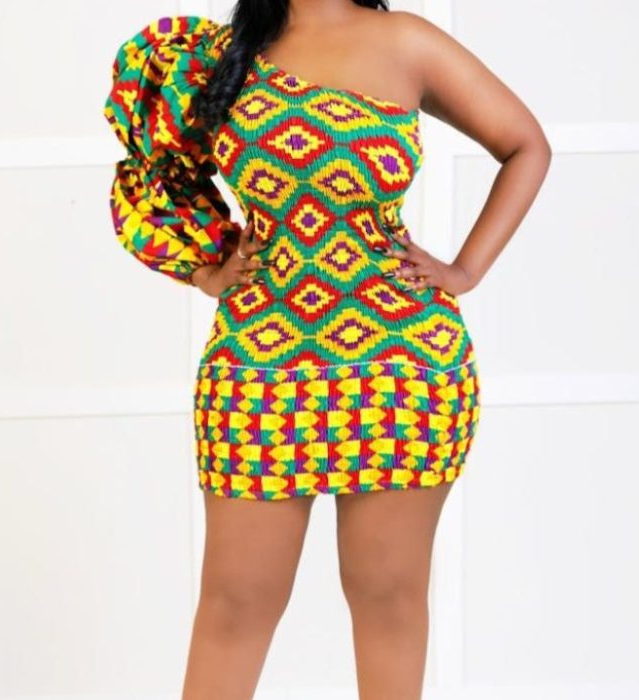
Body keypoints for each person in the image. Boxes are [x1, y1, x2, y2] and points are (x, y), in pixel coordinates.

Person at [103, 2, 551, 698]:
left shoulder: (407, 41)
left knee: (388, 600)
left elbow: (526, 145)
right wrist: (207, 268)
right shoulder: (216, 53)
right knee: (234, 604)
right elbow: (154, 173)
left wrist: (465, 270)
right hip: (257, 366)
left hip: (401, 368)